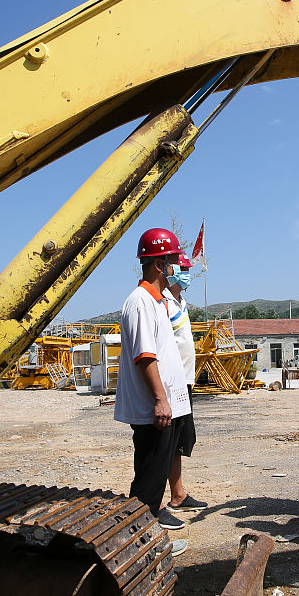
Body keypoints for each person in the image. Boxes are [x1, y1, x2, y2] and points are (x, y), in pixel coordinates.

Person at [116, 227, 193, 551]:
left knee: (155, 476)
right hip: (153, 411)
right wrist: (161, 401)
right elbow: (145, 356)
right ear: (160, 265)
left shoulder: (158, 301)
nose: (177, 267)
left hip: (166, 407)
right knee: (148, 482)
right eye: (173, 260)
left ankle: (143, 543)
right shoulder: (140, 303)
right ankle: (136, 547)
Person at [163, 251, 209, 514]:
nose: (186, 274)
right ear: (168, 270)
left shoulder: (181, 301)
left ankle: (178, 495)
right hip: (171, 382)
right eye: (182, 268)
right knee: (165, 442)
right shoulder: (163, 302)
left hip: (185, 382)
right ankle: (155, 501)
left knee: (180, 440)